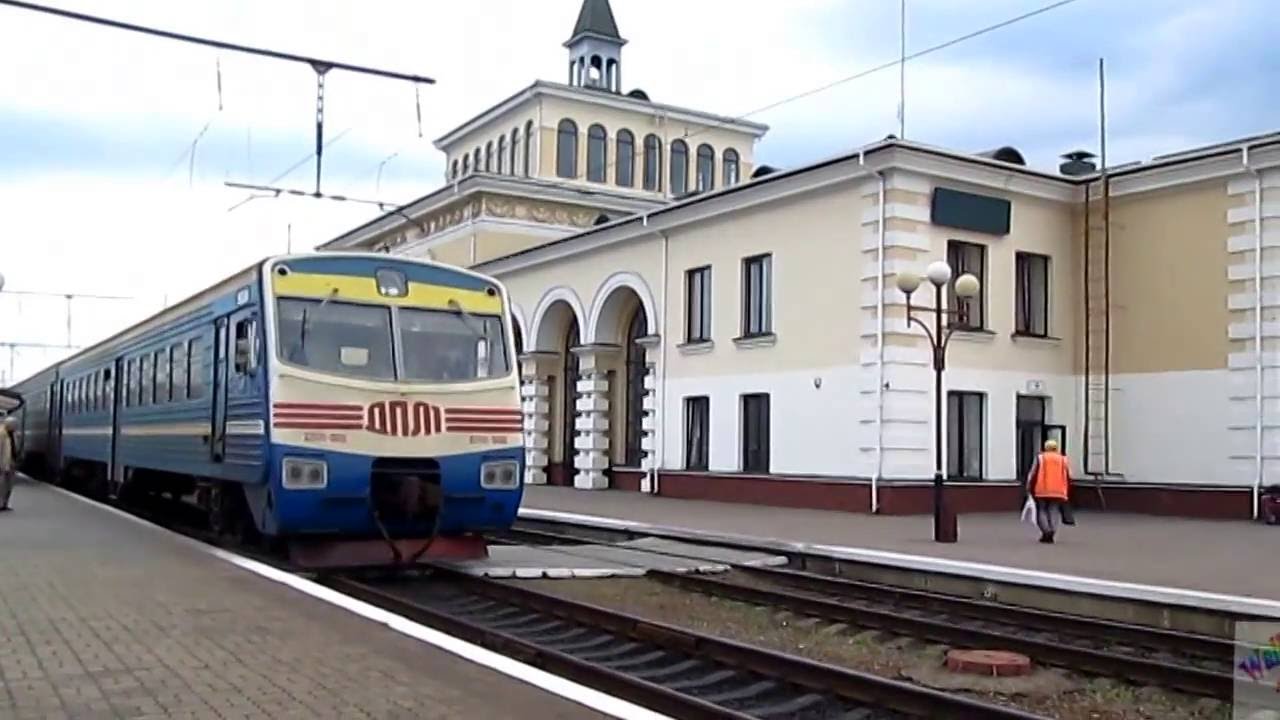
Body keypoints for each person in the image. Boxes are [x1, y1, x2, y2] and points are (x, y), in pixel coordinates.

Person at [1025, 438, 1070, 543]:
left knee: (1041, 510)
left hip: (1042, 489)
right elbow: (1068, 475)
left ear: (1046, 447)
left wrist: (1028, 486)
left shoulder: (1041, 458)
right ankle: (1052, 531)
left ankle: (1046, 531)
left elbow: (1032, 472)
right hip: (1059, 490)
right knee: (1054, 511)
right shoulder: (1063, 459)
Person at [0, 416, 15, 511]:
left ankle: (5, 504)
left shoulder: (11, 434)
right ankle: (1, 504)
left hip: (10, 462)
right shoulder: (1, 434)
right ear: (8, 424)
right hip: (3, 463)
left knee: (8, 485)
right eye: (13, 425)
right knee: (2, 485)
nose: (15, 427)